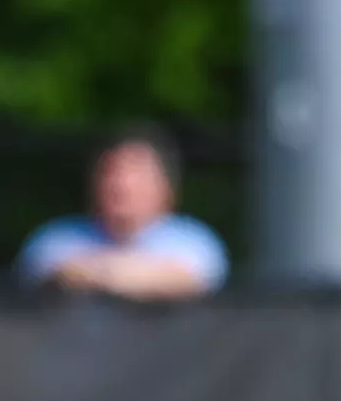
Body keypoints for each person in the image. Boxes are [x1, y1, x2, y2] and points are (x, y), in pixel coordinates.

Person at [16, 123, 228, 300]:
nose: (122, 185)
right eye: (112, 173)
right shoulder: (56, 238)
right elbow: (46, 271)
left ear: (166, 187)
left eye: (136, 173)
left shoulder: (195, 241)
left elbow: (192, 279)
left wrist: (100, 273)